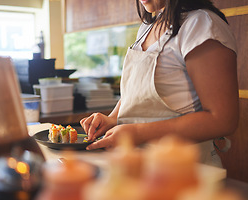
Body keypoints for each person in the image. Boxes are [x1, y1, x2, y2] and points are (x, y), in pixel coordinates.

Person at [80, 0, 238, 167]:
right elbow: (139, 91)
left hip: (184, 171)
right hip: (138, 166)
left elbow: (223, 120)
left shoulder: (201, 25)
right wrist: (112, 119)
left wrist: (138, 132)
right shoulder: (147, 27)